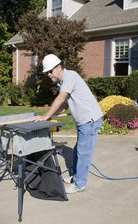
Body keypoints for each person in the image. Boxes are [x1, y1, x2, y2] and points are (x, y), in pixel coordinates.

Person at [30, 54, 103, 194]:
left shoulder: (70, 76)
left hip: (90, 120)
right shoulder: (61, 83)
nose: (49, 74)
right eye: (47, 72)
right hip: (83, 121)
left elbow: (61, 97)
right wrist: (52, 115)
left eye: (51, 71)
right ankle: (76, 176)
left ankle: (79, 184)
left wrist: (45, 116)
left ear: (59, 67)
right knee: (78, 150)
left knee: (83, 152)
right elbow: (65, 104)